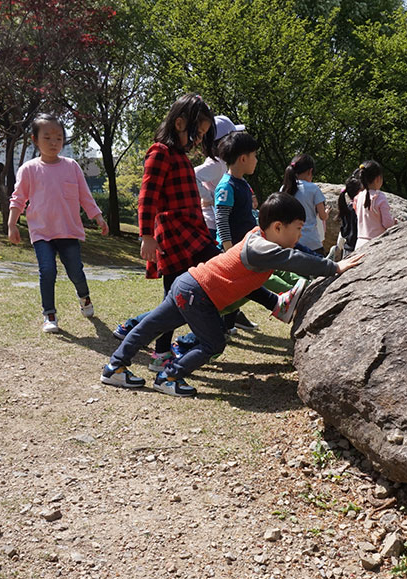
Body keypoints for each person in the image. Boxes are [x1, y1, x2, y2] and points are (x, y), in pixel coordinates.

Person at [101, 192, 364, 397]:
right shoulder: (263, 248)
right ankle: (169, 377)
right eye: (297, 228)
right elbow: (294, 259)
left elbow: (296, 252)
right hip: (199, 295)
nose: (299, 234)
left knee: (150, 326)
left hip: (188, 284)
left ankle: (115, 367)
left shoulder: (258, 237)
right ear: (277, 227)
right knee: (213, 344)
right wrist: (333, 267)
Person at [127, 93, 219, 369]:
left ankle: (161, 351)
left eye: (203, 134)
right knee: (181, 293)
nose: (199, 139)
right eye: (197, 132)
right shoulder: (160, 152)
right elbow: (147, 196)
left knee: (174, 298)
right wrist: (146, 236)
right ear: (180, 124)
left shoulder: (181, 156)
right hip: (175, 237)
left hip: (191, 233)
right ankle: (275, 301)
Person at [8, 113, 108, 333]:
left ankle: (84, 298)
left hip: (69, 232)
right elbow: (18, 198)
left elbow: (85, 195)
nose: (54, 143)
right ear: (35, 140)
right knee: (47, 271)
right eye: (47, 138)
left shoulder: (71, 166)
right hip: (42, 232)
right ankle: (49, 315)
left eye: (59, 138)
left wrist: (98, 216)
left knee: (75, 272)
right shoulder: (28, 169)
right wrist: (12, 224)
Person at [194, 115, 245, 233]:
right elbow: (192, 175)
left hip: (216, 222)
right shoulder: (217, 164)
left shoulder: (222, 163)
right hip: (212, 224)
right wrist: (208, 197)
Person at [280, 154, 328, 255]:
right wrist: (326, 213)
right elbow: (323, 216)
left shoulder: (284, 188)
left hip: (290, 242)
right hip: (311, 242)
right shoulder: (313, 189)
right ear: (310, 171)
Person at [353, 160, 397, 250]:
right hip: (376, 243)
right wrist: (394, 222)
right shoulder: (380, 197)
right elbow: (387, 224)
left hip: (359, 242)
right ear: (378, 179)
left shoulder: (358, 197)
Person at [336, 175, 362, 255]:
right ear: (359, 192)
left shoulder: (346, 208)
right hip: (358, 248)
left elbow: (344, 231)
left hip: (347, 249)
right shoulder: (359, 209)